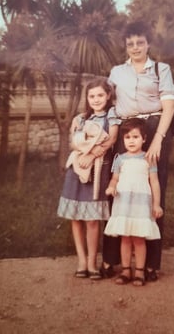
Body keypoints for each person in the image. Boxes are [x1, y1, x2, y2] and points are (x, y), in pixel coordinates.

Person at [101, 21, 174, 281]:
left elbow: (168, 107)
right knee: (119, 189)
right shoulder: (116, 72)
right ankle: (112, 261)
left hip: (154, 128)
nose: (135, 47)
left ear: (148, 44)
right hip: (125, 130)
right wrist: (110, 132)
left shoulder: (160, 69)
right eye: (130, 43)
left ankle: (151, 265)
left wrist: (157, 139)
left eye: (140, 42)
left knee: (154, 193)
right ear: (126, 45)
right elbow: (108, 102)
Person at [57, 78, 120, 280]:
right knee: (76, 217)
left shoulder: (112, 115)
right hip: (77, 170)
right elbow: (74, 143)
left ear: (108, 95)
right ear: (87, 98)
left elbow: (111, 139)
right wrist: (81, 149)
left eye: (100, 95)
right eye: (92, 96)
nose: (96, 99)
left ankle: (93, 262)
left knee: (92, 219)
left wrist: (92, 155)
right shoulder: (81, 119)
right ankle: (81, 261)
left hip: (97, 171)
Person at [104, 118, 163, 286]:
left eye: (135, 137)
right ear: (123, 139)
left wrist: (156, 204)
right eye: (128, 137)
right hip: (123, 204)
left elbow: (155, 182)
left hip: (141, 206)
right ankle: (125, 270)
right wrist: (111, 188)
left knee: (138, 239)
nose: (131, 141)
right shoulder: (120, 159)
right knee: (125, 238)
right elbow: (114, 179)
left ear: (144, 139)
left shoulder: (148, 158)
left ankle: (139, 271)